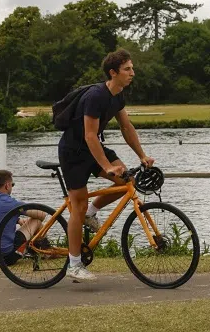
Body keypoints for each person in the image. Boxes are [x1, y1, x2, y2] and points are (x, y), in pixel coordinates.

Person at [57, 48, 154, 281]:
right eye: (127, 69)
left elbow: (126, 128)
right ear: (113, 72)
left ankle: (93, 212)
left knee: (127, 180)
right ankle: (74, 264)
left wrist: (142, 155)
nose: (132, 72)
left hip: (95, 149)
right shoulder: (95, 97)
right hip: (74, 152)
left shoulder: (118, 95)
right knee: (77, 206)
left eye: (132, 68)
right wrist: (107, 166)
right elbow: (90, 135)